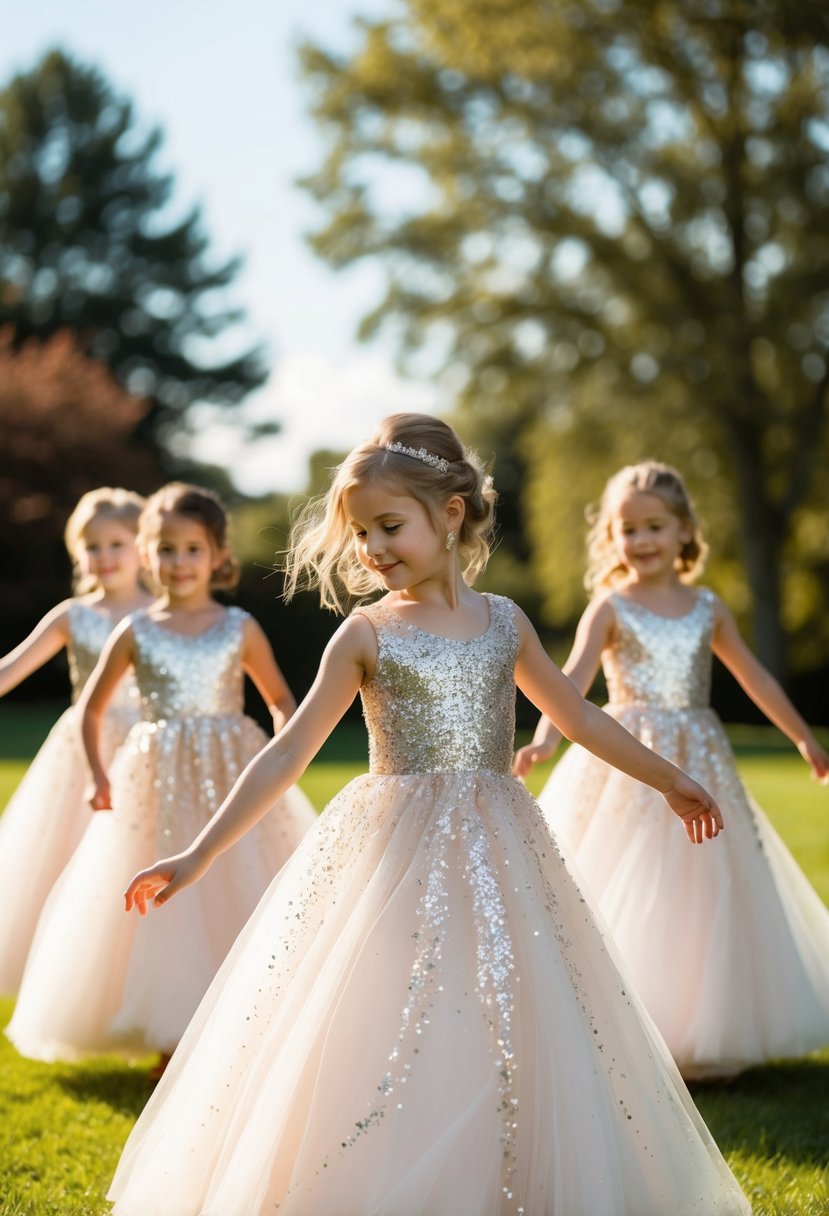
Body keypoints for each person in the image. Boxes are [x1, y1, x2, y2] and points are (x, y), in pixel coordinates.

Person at [107, 417, 749, 1216]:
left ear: (450, 516)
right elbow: (285, 754)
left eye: (390, 526)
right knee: (392, 1006)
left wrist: (668, 779)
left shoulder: (505, 622)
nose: (373, 548)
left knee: (503, 1005)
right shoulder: (364, 634)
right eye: (362, 533)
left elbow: (582, 719)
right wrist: (194, 856)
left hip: (501, 851)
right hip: (392, 854)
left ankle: (498, 1172)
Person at [515, 460, 829, 1080]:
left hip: (699, 750)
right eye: (627, 530)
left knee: (701, 888)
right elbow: (570, 684)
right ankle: (621, 1031)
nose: (641, 541)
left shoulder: (708, 607)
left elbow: (754, 676)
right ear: (611, 537)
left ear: (685, 530)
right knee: (622, 883)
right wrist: (546, 740)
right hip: (625, 762)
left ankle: (696, 1031)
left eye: (655, 526)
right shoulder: (610, 606)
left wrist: (802, 736)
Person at [6, 483, 316, 1070]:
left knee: (242, 882)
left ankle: (251, 1025)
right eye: (166, 551)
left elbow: (280, 698)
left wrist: (285, 734)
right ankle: (172, 1040)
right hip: (155, 776)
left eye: (192, 550)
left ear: (218, 555)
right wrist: (100, 774)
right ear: (149, 556)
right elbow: (92, 709)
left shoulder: (240, 626)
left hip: (230, 767)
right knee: (168, 903)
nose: (179, 563)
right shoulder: (135, 631)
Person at [0, 488, 152, 994]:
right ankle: (75, 988)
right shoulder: (72, 615)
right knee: (71, 869)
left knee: (142, 862)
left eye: (116, 543)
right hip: (83, 755)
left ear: (142, 546)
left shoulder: (163, 613)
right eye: (92, 545)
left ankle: (145, 992)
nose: (104, 556)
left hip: (151, 753)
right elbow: (10, 670)